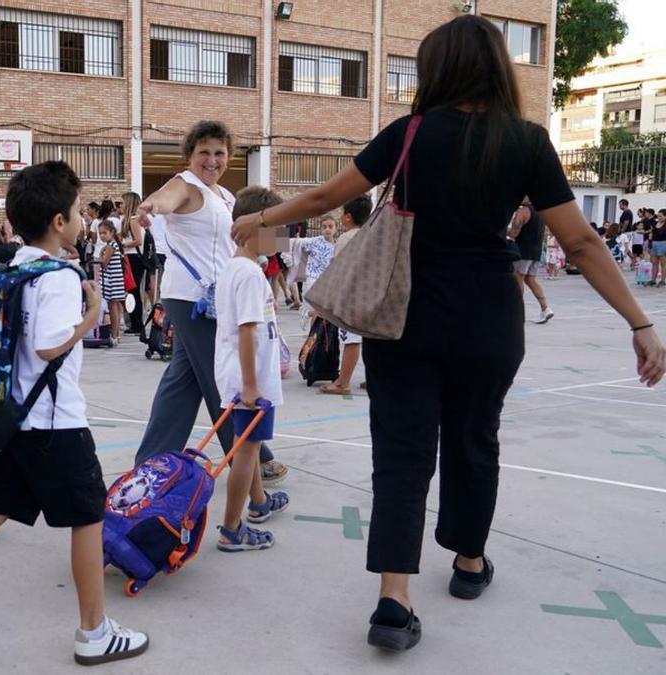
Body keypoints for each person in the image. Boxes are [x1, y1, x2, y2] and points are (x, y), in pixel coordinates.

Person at [230, 14, 666, 652]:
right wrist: (640, 321)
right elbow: (580, 239)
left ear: (437, 70)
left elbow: (327, 197)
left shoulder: (409, 134)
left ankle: (393, 599)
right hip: (488, 319)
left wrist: (259, 219)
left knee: (402, 457)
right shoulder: (525, 141)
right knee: (474, 439)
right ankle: (467, 563)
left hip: (401, 316)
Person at [0, 161, 149, 666]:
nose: (82, 221)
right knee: (88, 518)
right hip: (56, 424)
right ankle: (94, 632)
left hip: (12, 420)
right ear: (59, 222)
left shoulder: (11, 268)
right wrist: (90, 317)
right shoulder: (60, 275)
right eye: (76, 212)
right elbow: (47, 347)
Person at [133, 121, 288, 488]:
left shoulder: (224, 196)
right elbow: (164, 199)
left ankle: (152, 461)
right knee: (223, 379)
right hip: (191, 298)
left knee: (183, 380)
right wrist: (151, 206)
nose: (212, 160)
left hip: (216, 298)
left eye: (219, 153)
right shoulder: (184, 184)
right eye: (204, 152)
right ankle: (250, 461)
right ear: (190, 154)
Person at [215, 185, 291, 552]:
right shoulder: (247, 275)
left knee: (250, 445)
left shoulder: (240, 269)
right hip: (249, 381)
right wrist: (250, 386)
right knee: (246, 452)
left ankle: (259, 504)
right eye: (276, 227)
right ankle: (232, 528)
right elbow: (246, 331)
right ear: (249, 229)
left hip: (247, 377)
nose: (283, 235)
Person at [320, 195, 373, 395]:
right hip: (370, 295)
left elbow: (336, 268)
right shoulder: (372, 235)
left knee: (350, 340)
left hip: (351, 297)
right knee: (369, 339)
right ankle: (372, 378)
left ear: (348, 217)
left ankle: (343, 382)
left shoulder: (346, 238)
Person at [509, 201, 554, 324]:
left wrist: (502, 231)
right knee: (530, 280)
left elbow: (514, 233)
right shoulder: (540, 212)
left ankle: (517, 313)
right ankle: (545, 308)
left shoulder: (523, 211)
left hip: (522, 251)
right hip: (536, 251)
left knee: (518, 278)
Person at [119, 192, 146, 335]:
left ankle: (137, 324)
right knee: (132, 291)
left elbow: (138, 240)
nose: (120, 206)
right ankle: (135, 323)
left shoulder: (133, 220)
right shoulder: (131, 220)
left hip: (134, 258)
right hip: (132, 257)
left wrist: (123, 245)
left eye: (123, 203)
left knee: (133, 291)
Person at [97, 221, 126, 345]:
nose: (102, 235)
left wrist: (99, 256)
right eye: (100, 233)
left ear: (112, 232)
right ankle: (116, 334)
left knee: (112, 307)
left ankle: (114, 334)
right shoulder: (113, 245)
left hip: (112, 280)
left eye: (104, 233)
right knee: (114, 307)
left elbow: (104, 263)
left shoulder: (110, 246)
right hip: (114, 279)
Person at [652, 209, 666, 286]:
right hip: (654, 244)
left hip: (663, 244)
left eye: (661, 216)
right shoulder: (656, 223)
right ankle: (653, 280)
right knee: (654, 263)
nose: (659, 217)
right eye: (658, 216)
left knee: (663, 264)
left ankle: (662, 280)